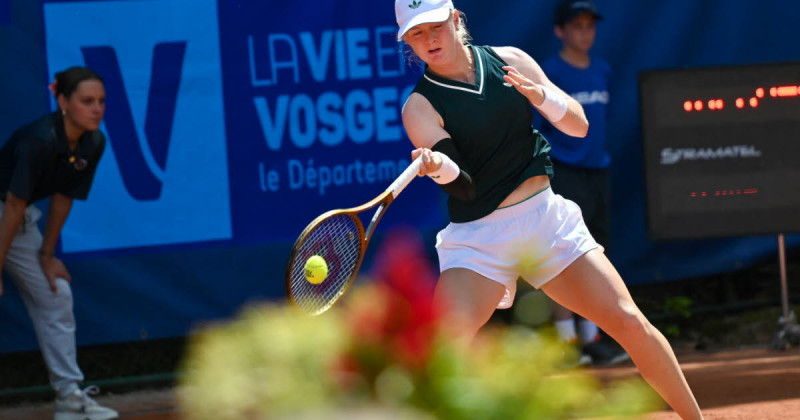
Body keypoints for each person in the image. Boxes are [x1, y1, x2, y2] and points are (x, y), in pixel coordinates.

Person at [394, 1, 704, 418]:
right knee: (440, 354)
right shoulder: (419, 107)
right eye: (416, 33)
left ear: (455, 19)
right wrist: (438, 167)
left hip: (546, 222)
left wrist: (541, 97)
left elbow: (579, 125)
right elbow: (464, 186)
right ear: (408, 42)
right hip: (480, 240)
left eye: (435, 25)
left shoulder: (511, 61)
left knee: (630, 322)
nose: (429, 39)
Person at [0, 67, 118, 420]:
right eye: (87, 101)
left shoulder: (93, 142)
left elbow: (64, 196)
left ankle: (69, 397)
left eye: (101, 101)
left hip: (16, 223)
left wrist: (47, 254)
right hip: (9, 213)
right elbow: (15, 203)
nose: (96, 109)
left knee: (56, 295)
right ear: (63, 102)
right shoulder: (39, 139)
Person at [533, 0, 628, 366]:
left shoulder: (602, 70)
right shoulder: (549, 73)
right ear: (560, 31)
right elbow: (537, 129)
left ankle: (592, 340)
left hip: (598, 174)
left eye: (590, 25)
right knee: (562, 257)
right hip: (563, 174)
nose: (584, 32)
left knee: (594, 256)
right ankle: (566, 343)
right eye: (576, 26)